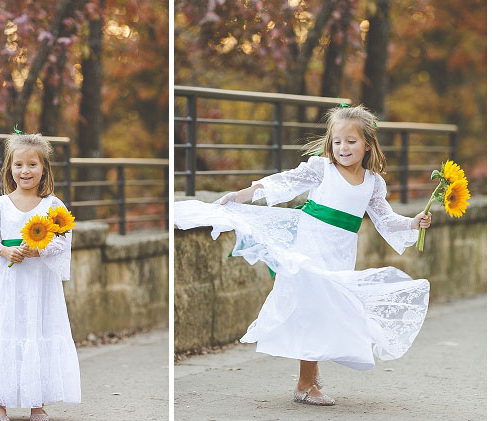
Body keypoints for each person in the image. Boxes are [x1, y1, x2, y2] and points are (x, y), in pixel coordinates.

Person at [174, 104, 431, 405]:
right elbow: (284, 181)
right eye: (337, 141)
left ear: (367, 145)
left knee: (323, 310)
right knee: (313, 307)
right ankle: (305, 383)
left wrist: (413, 222)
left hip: (339, 252)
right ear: (329, 143)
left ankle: (308, 378)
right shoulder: (323, 169)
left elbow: (385, 219)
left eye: (351, 141)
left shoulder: (373, 183)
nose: (343, 148)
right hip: (309, 246)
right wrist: (243, 194)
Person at [0, 133, 81, 421]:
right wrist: (5, 253)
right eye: (18, 165)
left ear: (44, 169)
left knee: (37, 329)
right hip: (11, 284)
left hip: (40, 284)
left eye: (32, 164)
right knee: (7, 330)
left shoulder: (53, 205)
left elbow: (62, 240)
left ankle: (37, 403)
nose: (25, 171)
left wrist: (37, 250)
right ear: (10, 168)